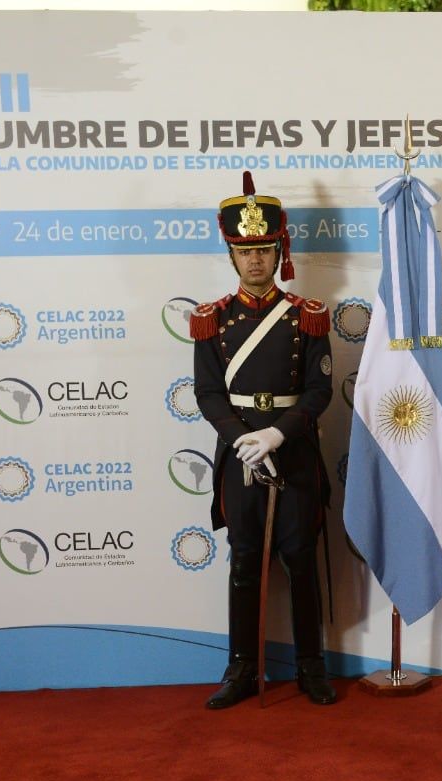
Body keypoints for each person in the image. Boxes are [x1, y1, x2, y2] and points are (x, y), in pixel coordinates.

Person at [191, 171, 336, 709]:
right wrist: (242, 440)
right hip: (240, 456)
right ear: (232, 255)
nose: (256, 260)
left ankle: (311, 665)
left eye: (265, 249)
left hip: (293, 450)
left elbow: (320, 392)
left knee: (300, 559)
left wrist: (277, 433)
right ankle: (241, 669)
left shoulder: (308, 317)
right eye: (245, 251)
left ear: (280, 251)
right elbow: (207, 394)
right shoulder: (212, 320)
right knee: (245, 561)